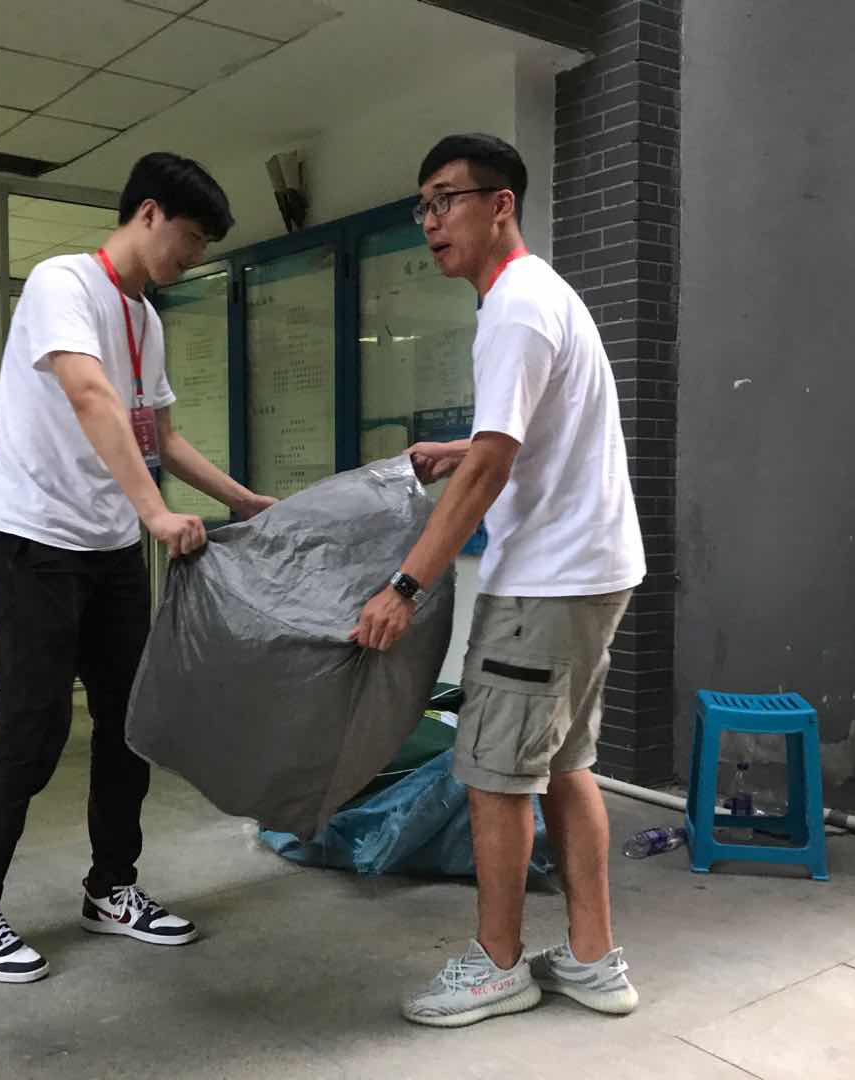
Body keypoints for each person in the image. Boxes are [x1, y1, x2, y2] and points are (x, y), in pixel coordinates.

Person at [0, 152, 275, 983]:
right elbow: (90, 396)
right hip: (34, 542)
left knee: (130, 723)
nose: (193, 256)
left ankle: (111, 887)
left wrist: (241, 500)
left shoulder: (145, 319)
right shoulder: (63, 284)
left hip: (109, 548)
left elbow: (160, 435)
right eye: (191, 238)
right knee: (33, 728)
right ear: (149, 213)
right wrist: (155, 512)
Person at [351, 133, 647, 1027]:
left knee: (495, 776)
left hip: (548, 582)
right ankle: (593, 959)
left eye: (447, 199)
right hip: (591, 572)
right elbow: (517, 438)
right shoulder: (540, 294)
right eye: (424, 205)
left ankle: (498, 965)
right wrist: (464, 446)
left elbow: (492, 469)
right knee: (565, 767)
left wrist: (404, 587)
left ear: (501, 204)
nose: (431, 221)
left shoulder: (514, 307)